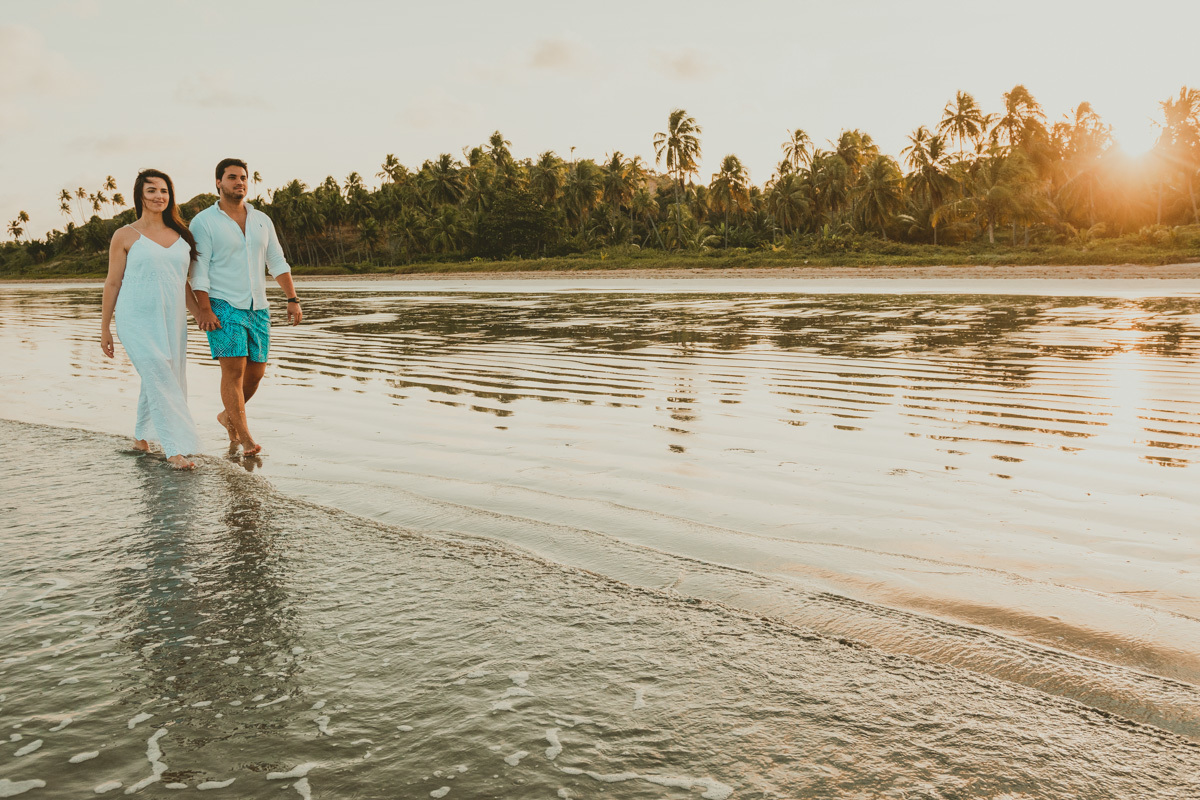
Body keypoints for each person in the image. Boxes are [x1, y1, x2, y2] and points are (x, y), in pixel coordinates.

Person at [190, 158, 302, 457]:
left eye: (243, 177)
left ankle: (227, 417)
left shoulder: (261, 219)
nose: (239, 182)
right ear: (218, 182)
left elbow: (276, 261)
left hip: (258, 307)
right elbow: (198, 268)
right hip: (222, 304)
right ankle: (245, 436)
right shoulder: (204, 221)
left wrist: (292, 299)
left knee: (256, 373)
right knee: (234, 372)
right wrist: (204, 309)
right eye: (232, 177)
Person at [100, 169, 204, 470]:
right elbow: (112, 283)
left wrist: (199, 312)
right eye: (152, 191)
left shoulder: (182, 236)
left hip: (172, 321)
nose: (159, 196)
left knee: (161, 376)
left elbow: (181, 282)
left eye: (164, 191)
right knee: (160, 377)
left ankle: (140, 438)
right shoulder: (125, 235)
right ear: (140, 196)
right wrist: (105, 328)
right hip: (135, 319)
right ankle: (174, 449)